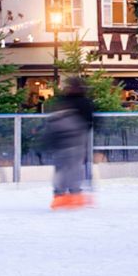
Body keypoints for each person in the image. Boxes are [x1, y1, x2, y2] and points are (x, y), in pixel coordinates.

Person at [44, 77, 98, 210]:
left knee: (67, 168)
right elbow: (90, 121)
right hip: (71, 140)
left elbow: (52, 122)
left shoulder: (67, 102)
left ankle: (65, 195)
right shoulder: (81, 102)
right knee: (70, 168)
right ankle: (68, 195)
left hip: (69, 141)